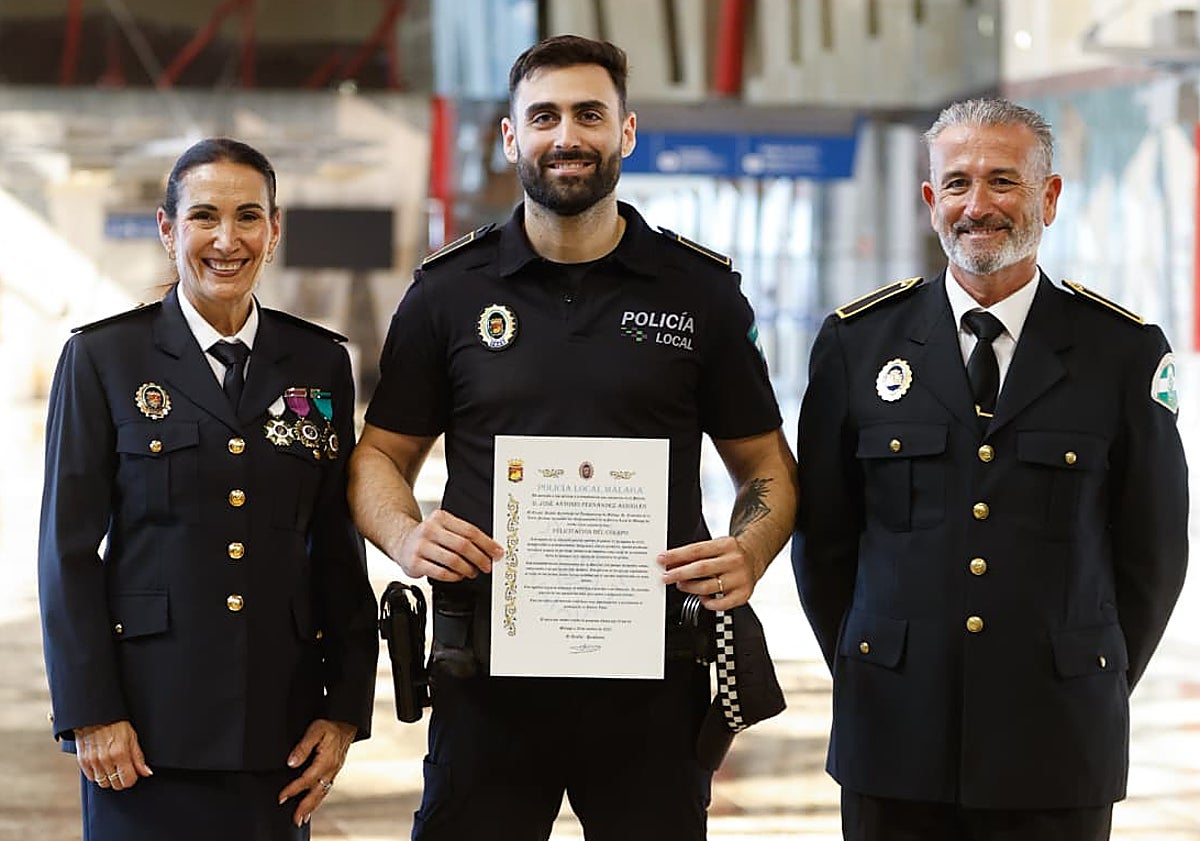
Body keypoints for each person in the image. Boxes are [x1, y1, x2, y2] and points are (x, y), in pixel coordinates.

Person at [348, 34, 797, 841]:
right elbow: (379, 455)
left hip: (655, 684)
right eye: (544, 116)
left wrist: (751, 549)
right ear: (511, 136)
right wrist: (409, 537)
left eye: (590, 114)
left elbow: (764, 464)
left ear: (625, 132)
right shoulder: (447, 294)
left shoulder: (701, 295)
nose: (568, 136)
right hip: (486, 679)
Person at [792, 97, 1189, 841]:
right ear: (929, 200)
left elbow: (1154, 553)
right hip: (893, 735)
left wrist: (1085, 673)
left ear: (1050, 196)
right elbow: (826, 542)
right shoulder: (858, 344)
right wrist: (877, 664)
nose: (978, 206)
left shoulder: (1121, 353)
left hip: (1057, 738)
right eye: (957, 184)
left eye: (1003, 182)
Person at [38, 137, 379, 841]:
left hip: (277, 727)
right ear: (169, 230)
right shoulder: (105, 358)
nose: (228, 239)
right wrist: (90, 710)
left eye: (249, 216)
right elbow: (66, 550)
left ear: (275, 231)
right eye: (204, 217)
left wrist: (344, 709)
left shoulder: (318, 361)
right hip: (142, 729)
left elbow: (336, 549)